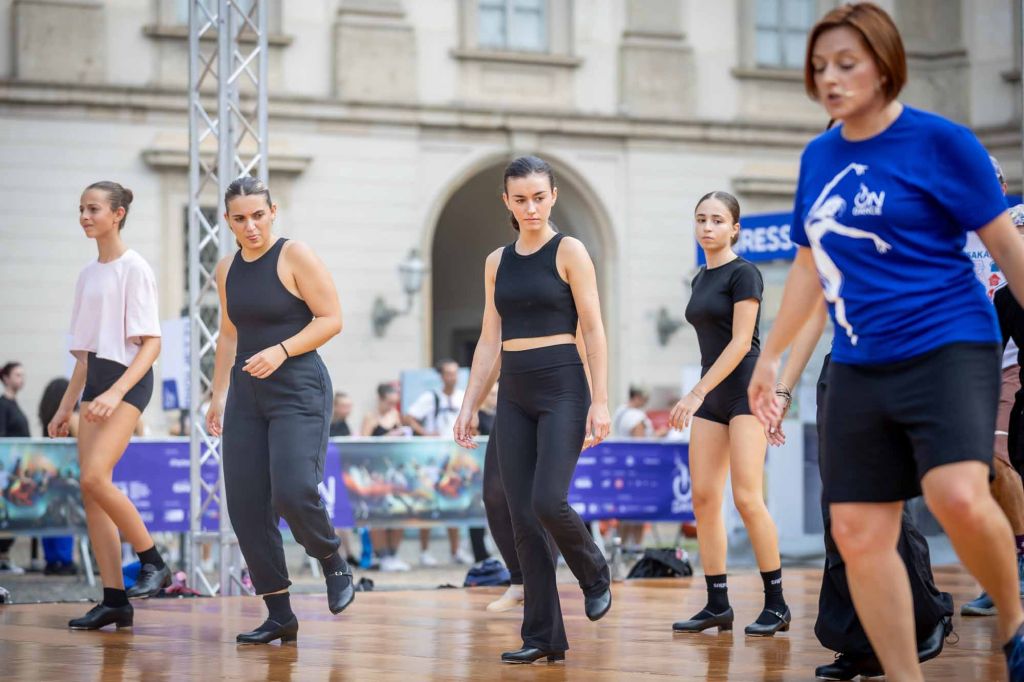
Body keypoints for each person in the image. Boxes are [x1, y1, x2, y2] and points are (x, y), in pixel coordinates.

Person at [747, 5, 1024, 679]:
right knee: (857, 529)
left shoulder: (943, 143)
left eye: (847, 63)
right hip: (860, 361)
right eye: (819, 66)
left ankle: (1017, 627)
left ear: (885, 65)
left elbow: (1006, 249)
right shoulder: (819, 157)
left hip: (950, 345)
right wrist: (770, 357)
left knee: (959, 494)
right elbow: (809, 267)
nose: (830, 78)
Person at [454, 155, 612, 664]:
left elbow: (594, 329)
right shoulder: (496, 262)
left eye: (539, 197)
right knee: (521, 514)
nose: (531, 208)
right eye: (520, 199)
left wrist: (601, 400)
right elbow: (489, 340)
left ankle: (594, 570)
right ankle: (542, 636)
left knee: (547, 501)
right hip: (514, 392)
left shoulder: (570, 251)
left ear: (553, 196)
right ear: (507, 201)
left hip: (563, 386)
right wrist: (468, 404)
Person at [206, 176, 355, 645]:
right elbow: (229, 334)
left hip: (298, 388)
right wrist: (217, 395)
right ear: (227, 221)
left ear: (273, 212)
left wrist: (282, 350)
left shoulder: (294, 256)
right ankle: (279, 614)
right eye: (239, 218)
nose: (250, 226)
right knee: (246, 506)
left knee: (292, 490)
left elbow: (331, 319)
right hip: (246, 394)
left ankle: (331, 559)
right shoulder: (226, 269)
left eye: (258, 215)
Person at [770, 302, 952, 680]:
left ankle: (927, 617)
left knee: (881, 503)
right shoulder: (827, 263)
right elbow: (812, 313)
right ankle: (859, 642)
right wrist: (783, 390)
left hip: (896, 362)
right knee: (838, 513)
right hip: (840, 370)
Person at [47, 181, 170, 630]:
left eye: (94, 208)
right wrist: (66, 407)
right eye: (81, 208)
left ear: (118, 214)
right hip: (96, 382)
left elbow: (152, 343)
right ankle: (115, 600)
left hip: (128, 382)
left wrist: (116, 392)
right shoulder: (87, 275)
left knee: (94, 477)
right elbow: (83, 354)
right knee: (92, 492)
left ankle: (153, 561)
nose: (84, 216)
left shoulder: (135, 268)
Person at [669, 192, 789, 637]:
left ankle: (776, 604)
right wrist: (703, 392)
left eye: (717, 220)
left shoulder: (745, 273)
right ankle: (717, 604)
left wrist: (696, 392)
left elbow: (741, 342)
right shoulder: (700, 277)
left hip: (743, 391)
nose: (707, 227)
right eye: (701, 219)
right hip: (713, 392)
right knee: (703, 498)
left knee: (746, 497)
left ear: (735, 228)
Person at [961, 155, 1024, 617]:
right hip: (959, 365)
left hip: (1010, 360)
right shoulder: (947, 233)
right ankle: (998, 569)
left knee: (997, 458)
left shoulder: (1016, 221)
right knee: (972, 472)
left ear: (1001, 186)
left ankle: (1015, 560)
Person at [405, 359, 475, 566]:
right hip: (434, 458)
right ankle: (424, 551)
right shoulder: (431, 397)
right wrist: (426, 433)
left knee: (454, 503)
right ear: (441, 376)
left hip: (454, 458)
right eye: (448, 373)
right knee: (428, 503)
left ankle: (455, 550)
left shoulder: (462, 397)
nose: (452, 377)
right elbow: (409, 417)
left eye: (455, 373)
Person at [37, 378, 78, 576]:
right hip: (64, 472)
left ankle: (51, 560)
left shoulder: (46, 417)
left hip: (46, 472)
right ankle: (65, 559)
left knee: (48, 513)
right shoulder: (71, 418)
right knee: (64, 514)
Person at [610, 386, 654, 553]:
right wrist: (658, 436)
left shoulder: (620, 412)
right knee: (638, 507)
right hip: (637, 468)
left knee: (624, 508)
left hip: (622, 466)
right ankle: (636, 546)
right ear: (637, 397)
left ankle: (622, 544)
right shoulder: (636, 416)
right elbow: (639, 441)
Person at [0, 361, 30, 574]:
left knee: (14, 514)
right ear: (6, 378)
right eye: (17, 375)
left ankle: (3, 557)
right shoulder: (3, 406)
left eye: (23, 375)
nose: (22, 379)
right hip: (8, 472)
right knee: (8, 513)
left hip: (15, 472)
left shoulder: (14, 405)